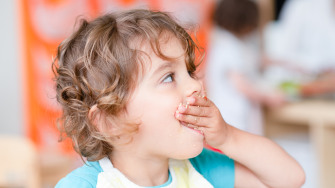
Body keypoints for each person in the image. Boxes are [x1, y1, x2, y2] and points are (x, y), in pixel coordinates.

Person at [52, 9, 305, 187]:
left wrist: (228, 136)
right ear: (110, 121)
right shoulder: (86, 185)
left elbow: (290, 178)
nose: (196, 85)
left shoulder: (200, 169)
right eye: (169, 77)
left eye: (190, 71)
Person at [206, 0, 285, 135]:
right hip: (234, 116)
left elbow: (254, 60)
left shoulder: (228, 43)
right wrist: (269, 97)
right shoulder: (228, 47)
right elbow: (241, 85)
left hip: (235, 116)